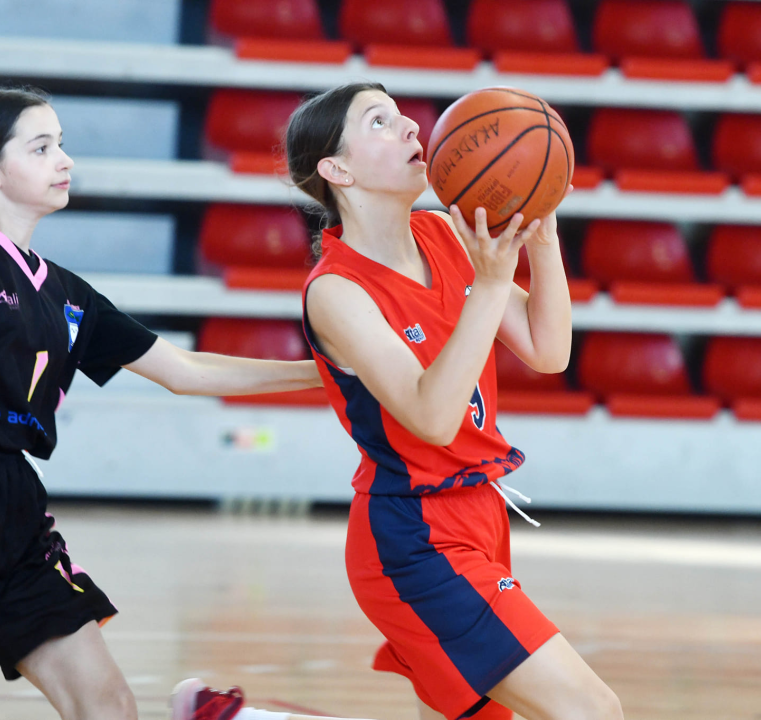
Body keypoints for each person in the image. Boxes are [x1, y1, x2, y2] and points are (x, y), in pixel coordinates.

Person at [0, 86, 323, 720]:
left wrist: (327, 374)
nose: (64, 160)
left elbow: (185, 370)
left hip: (15, 507)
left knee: (109, 706)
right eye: (41, 147)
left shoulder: (67, 293)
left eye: (61, 144)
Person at [169, 83, 623, 720]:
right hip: (414, 535)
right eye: (379, 122)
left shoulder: (443, 232)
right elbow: (433, 418)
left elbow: (549, 351)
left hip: (479, 515)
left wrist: (540, 237)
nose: (412, 127)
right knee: (591, 711)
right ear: (338, 169)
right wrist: (492, 284)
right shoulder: (337, 291)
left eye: (403, 115)